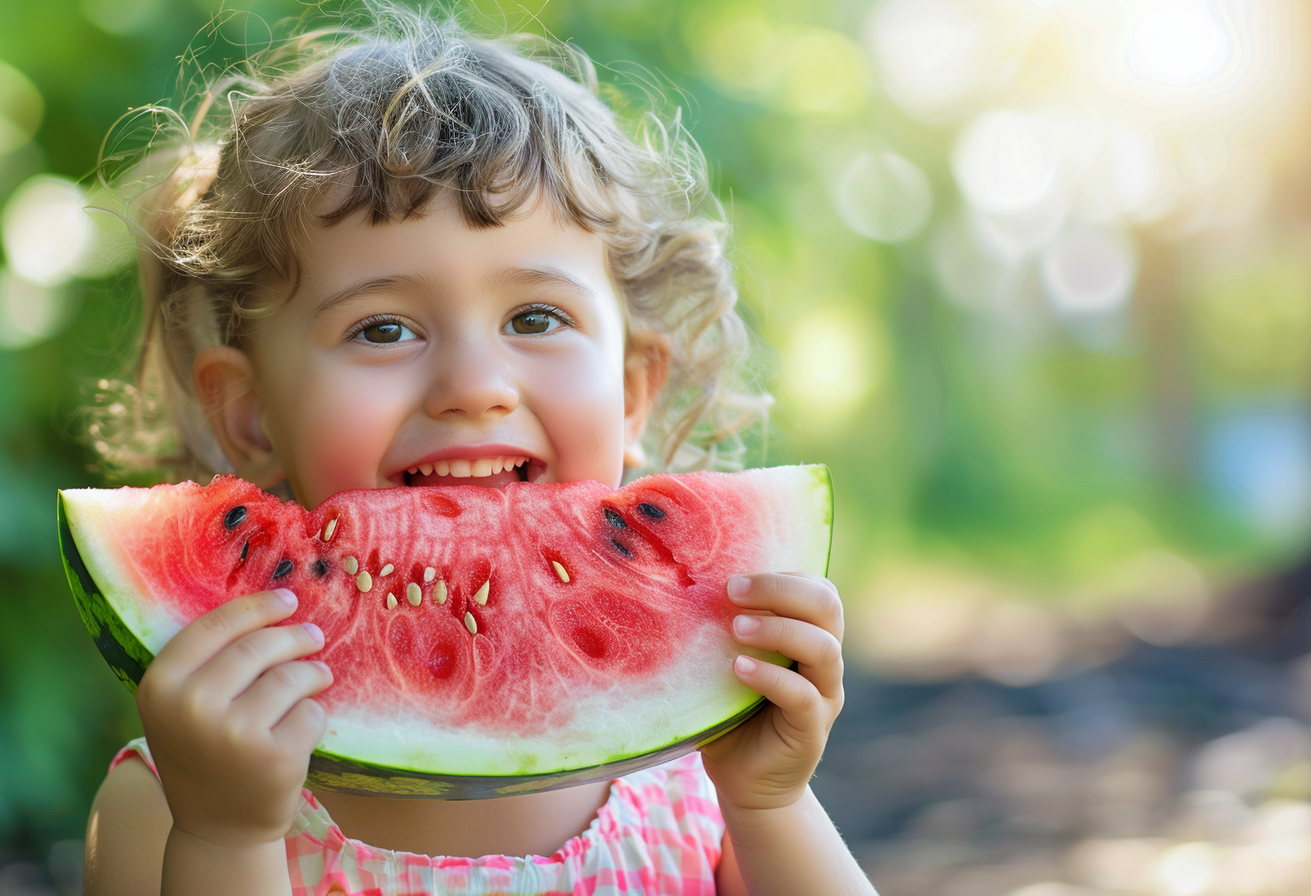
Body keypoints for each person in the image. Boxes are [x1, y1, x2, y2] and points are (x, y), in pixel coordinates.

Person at [81, 7, 874, 895]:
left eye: (537, 317)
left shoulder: (689, 777)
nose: (475, 383)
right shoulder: (169, 798)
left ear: (631, 389)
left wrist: (771, 805)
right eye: (382, 328)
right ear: (252, 413)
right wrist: (226, 838)